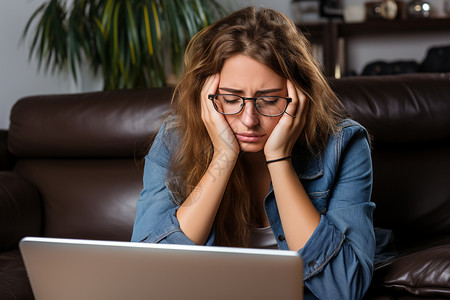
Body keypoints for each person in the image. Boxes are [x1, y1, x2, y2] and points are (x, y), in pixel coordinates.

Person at [131, 6, 375, 300]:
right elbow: (149, 278)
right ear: (206, 96)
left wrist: (279, 160)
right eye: (232, 99)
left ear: (299, 97)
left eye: (269, 101)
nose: (249, 119)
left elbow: (345, 290)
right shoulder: (173, 141)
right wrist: (223, 156)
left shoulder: (343, 144)